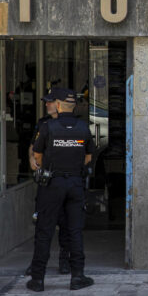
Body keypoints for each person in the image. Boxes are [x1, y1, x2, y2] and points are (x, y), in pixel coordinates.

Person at [27, 88, 95, 292]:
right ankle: (77, 276)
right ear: (73, 107)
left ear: (58, 105)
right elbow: (88, 158)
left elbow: (37, 156)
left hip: (52, 184)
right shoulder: (83, 128)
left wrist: (46, 166)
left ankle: (38, 279)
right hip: (75, 183)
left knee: (44, 230)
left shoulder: (48, 127)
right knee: (75, 231)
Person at [25, 89, 71, 276]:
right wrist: (30, 159)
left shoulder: (71, 124)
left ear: (59, 103)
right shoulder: (43, 123)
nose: (46, 104)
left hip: (65, 180)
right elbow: (33, 145)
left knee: (66, 224)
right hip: (46, 181)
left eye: (50, 101)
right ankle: (37, 264)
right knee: (42, 224)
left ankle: (64, 261)